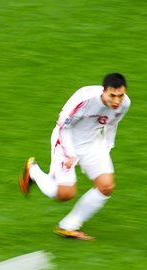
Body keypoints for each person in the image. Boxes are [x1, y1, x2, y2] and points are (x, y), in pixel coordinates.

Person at [19, 73, 131, 240]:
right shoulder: (84, 101)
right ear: (104, 91)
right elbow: (63, 127)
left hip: (93, 143)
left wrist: (107, 148)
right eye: (112, 96)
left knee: (106, 187)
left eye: (120, 96)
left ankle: (68, 226)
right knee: (65, 195)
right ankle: (33, 171)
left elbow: (112, 125)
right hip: (66, 142)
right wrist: (70, 154)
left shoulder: (125, 104)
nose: (116, 101)